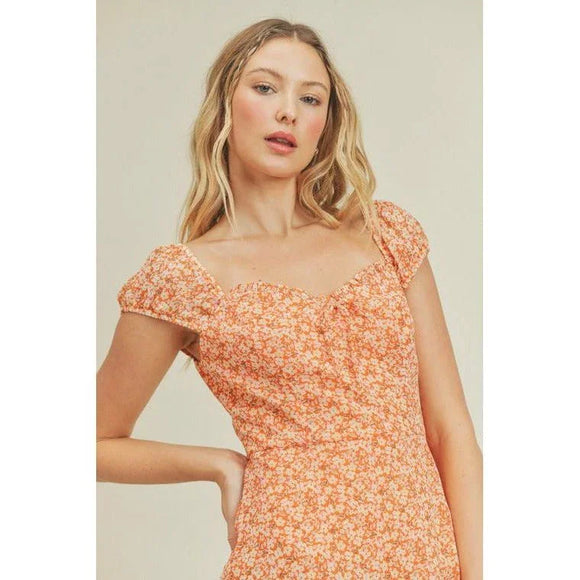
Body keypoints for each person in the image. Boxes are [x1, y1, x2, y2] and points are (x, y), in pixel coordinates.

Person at [97, 18, 482, 580]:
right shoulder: (184, 278)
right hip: (287, 558)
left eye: (310, 98)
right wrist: (219, 465)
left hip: (426, 559)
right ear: (225, 106)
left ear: (326, 124)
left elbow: (451, 432)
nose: (288, 113)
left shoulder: (385, 236)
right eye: (265, 87)